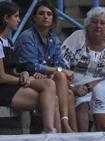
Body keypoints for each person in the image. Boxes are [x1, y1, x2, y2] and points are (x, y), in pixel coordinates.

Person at [15, 0, 76, 133]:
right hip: (27, 79)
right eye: (41, 13)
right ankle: (64, 130)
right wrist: (56, 71)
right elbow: (31, 66)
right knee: (61, 75)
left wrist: (50, 73)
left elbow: (60, 63)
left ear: (53, 18)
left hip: (46, 78)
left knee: (69, 94)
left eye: (49, 14)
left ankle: (71, 133)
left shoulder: (54, 39)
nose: (45, 16)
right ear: (34, 17)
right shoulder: (27, 37)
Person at [0, 1, 59, 133]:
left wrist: (25, 73)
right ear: (5, 18)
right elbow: (2, 77)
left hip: (13, 84)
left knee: (50, 88)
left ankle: (53, 132)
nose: (19, 20)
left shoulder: (8, 41)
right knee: (51, 100)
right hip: (4, 88)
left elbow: (14, 67)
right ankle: (50, 131)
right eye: (15, 16)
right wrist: (22, 80)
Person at [62, 7, 105, 132]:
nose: (98, 26)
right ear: (88, 24)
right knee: (82, 104)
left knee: (100, 103)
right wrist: (72, 87)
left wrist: (89, 86)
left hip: (103, 90)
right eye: (94, 22)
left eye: (102, 23)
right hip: (74, 88)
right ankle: (82, 140)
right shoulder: (78, 37)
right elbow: (61, 64)